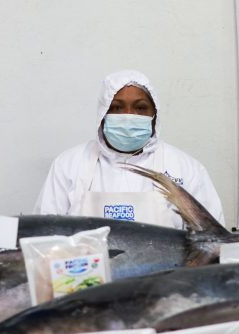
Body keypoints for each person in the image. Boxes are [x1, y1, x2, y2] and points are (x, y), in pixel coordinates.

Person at [35, 69, 225, 227]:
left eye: (140, 108)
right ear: (102, 114)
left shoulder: (186, 168)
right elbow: (44, 234)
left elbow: (211, 241)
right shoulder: (69, 164)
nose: (128, 116)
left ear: (155, 115)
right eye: (116, 108)